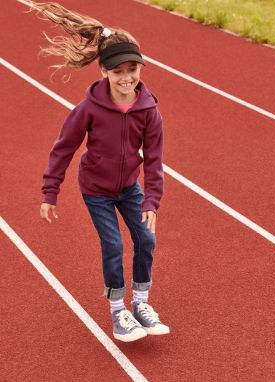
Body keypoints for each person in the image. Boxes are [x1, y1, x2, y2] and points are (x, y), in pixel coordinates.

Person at [30, 1, 170, 342]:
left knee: (145, 239)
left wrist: (151, 200)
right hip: (96, 190)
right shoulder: (88, 109)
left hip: (129, 187)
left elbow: (153, 158)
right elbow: (64, 147)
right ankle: (118, 311)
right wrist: (50, 191)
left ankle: (141, 303)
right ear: (103, 72)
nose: (126, 77)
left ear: (141, 68)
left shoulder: (149, 111)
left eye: (132, 69)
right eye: (118, 71)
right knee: (112, 245)